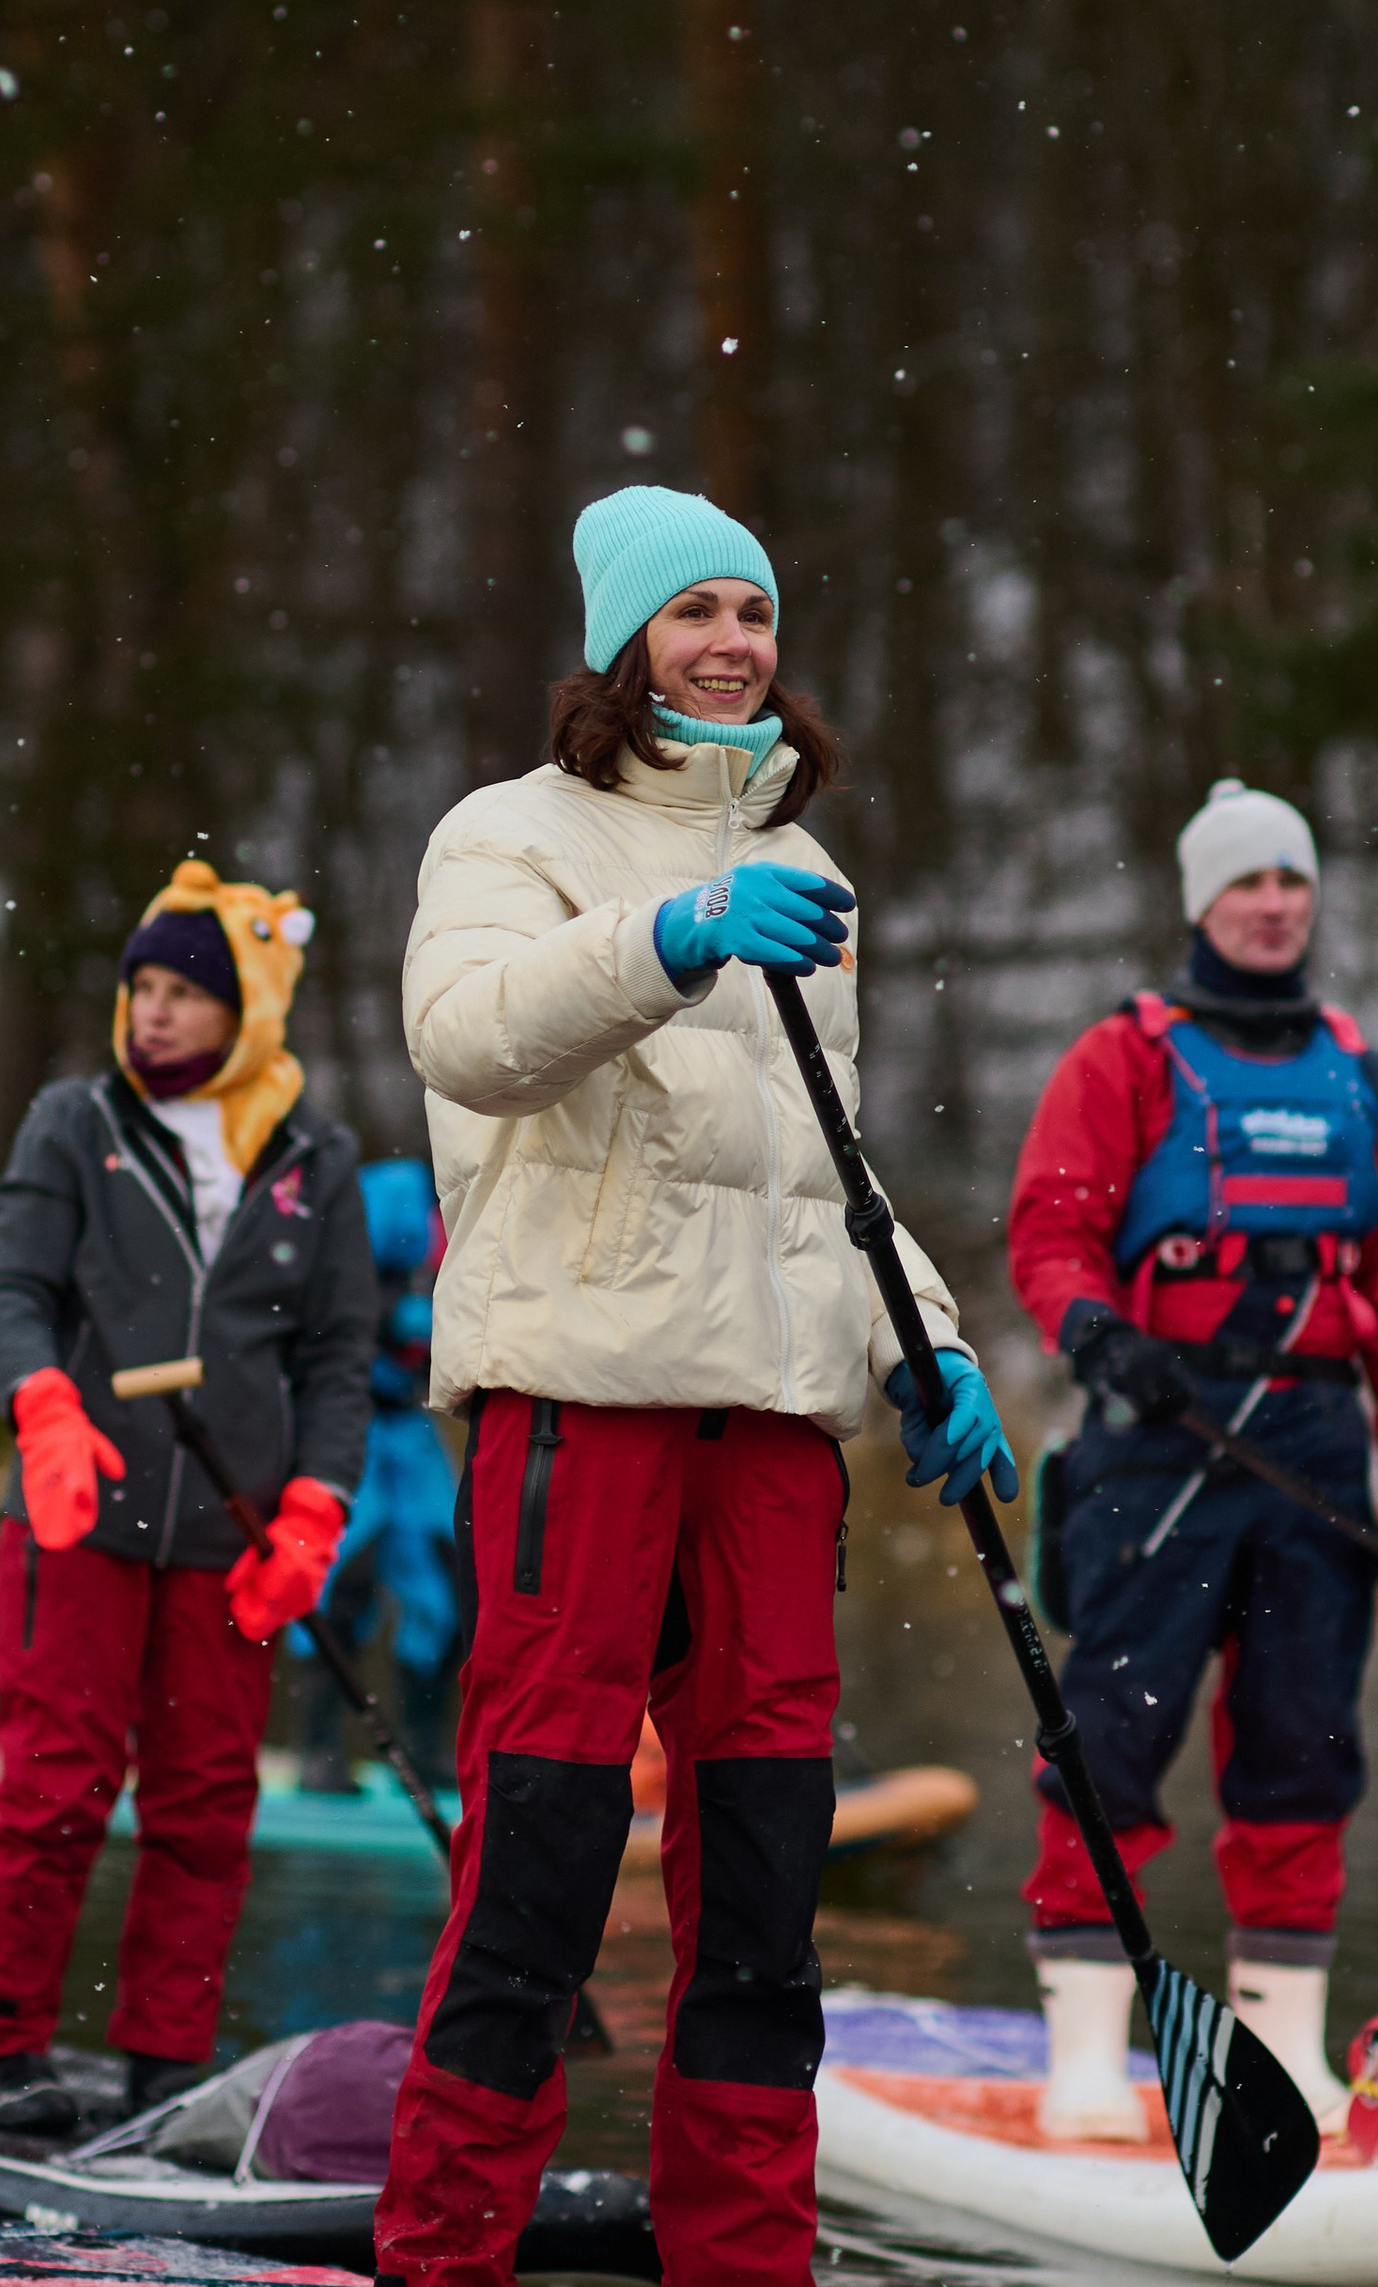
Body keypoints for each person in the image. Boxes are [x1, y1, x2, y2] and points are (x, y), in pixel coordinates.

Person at [371, 485, 1010, 2287]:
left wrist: (934, 1349)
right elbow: (470, 1043)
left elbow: (827, 1172)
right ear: (622, 644)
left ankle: (746, 2265)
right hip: (582, 1407)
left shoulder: (808, 879)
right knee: (543, 1876)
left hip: (774, 1435)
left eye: (754, 611)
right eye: (693, 613)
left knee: (762, 1905)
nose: (733, 643)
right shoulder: (511, 836)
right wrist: (669, 937)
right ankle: (439, 2262)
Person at [1005, 779, 1378, 2140]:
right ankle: (1086, 2058)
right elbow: (1050, 1234)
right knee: (1110, 1742)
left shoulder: (1370, 1082)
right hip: (1162, 1442)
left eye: (1293, 883)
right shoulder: (1125, 1058)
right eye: (1246, 884)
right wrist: (1099, 1337)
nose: (1273, 906)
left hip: (1320, 1457)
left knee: (1304, 1750)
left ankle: (1284, 2060)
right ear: (1202, 902)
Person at [0, 860, 379, 2134]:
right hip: (75, 1519)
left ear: (248, 1005)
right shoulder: (70, 1122)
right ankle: (7, 2044)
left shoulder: (318, 1154)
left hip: (229, 1541)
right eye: (139, 988)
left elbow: (338, 1356)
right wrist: (41, 1400)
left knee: (206, 1802)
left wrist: (315, 1506)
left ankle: (162, 2055)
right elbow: (13, 1291)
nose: (151, 1012)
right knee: (55, 1787)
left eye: (183, 993)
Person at [293, 1158, 462, 1794]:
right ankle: (319, 1750)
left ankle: (423, 1749)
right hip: (352, 1430)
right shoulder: (390, 1204)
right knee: (343, 1581)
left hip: (410, 1433)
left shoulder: (458, 1217)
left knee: (445, 1583)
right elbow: (334, 1308)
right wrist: (403, 1318)